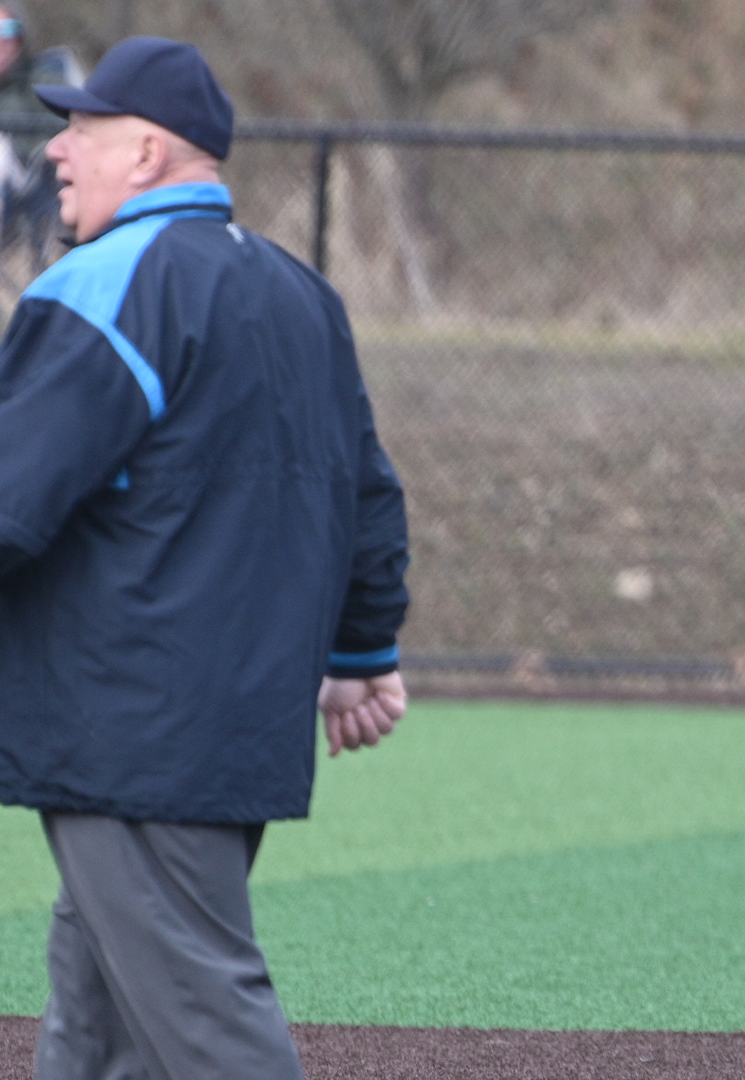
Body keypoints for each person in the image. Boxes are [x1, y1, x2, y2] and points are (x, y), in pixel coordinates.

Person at [1, 36, 410, 1080]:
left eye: (81, 130)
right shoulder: (301, 295)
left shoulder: (104, 285)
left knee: (203, 1022)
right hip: (227, 726)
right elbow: (364, 490)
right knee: (101, 1029)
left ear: (146, 153)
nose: (57, 152)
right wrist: (362, 654)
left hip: (128, 728)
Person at [0, 5, 84, 271]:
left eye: (7, 29)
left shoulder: (47, 78)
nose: (1, 40)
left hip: (40, 186)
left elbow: (75, 130)